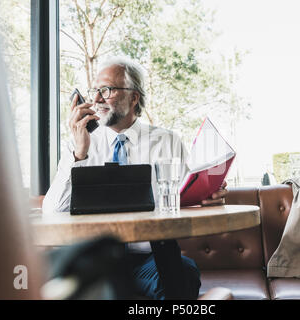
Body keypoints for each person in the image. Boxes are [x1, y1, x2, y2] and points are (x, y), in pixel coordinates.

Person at [43, 57, 228, 299]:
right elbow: (52, 210)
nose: (97, 99)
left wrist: (210, 196)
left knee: (182, 272)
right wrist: (78, 154)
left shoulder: (167, 141)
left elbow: (186, 197)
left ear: (133, 97)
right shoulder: (80, 145)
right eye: (94, 91)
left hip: (151, 257)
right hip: (99, 260)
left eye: (106, 90)